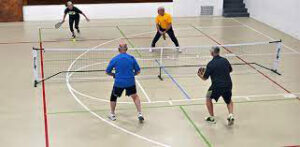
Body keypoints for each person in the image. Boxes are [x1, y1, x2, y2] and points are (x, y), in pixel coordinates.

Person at [106, 43, 144, 123]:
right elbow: (138, 71)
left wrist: (114, 75)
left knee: (113, 97)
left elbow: (107, 71)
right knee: (135, 96)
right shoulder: (131, 58)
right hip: (130, 81)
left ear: (118, 49)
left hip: (119, 82)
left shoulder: (115, 59)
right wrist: (131, 75)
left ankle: (112, 114)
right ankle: (140, 114)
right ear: (127, 49)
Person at [198, 46, 235, 126]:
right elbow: (231, 70)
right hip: (228, 85)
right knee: (229, 100)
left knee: (208, 97)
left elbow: (205, 78)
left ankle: (212, 118)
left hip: (216, 86)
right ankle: (231, 115)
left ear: (212, 53)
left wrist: (199, 75)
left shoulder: (210, 64)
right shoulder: (225, 60)